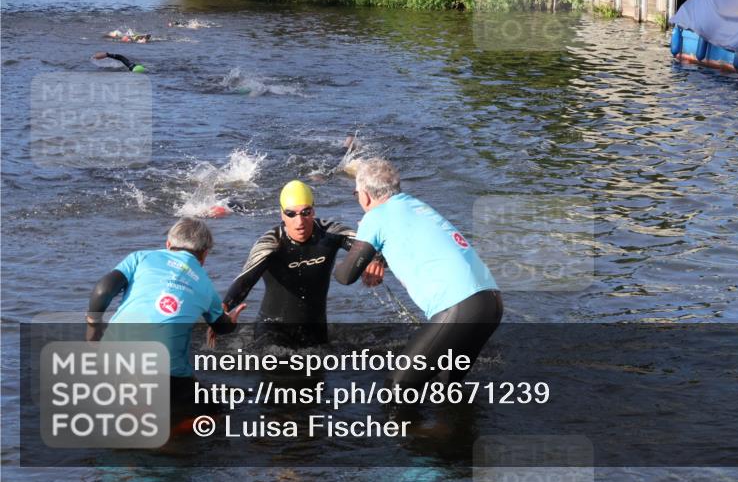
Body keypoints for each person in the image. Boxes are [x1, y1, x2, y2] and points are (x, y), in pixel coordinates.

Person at [334, 158, 503, 389]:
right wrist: (377, 256)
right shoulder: (416, 206)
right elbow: (413, 243)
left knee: (397, 386)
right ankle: (445, 426)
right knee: (444, 387)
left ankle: (406, 427)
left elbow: (345, 276)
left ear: (364, 196)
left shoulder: (375, 217)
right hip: (491, 303)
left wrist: (332, 244)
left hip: (460, 307)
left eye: (356, 195)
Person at [85, 219, 245, 410]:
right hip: (163, 372)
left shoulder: (140, 258)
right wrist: (232, 321)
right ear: (204, 255)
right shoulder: (206, 287)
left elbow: (102, 291)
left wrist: (93, 327)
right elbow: (222, 326)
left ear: (168, 245)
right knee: (214, 412)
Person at [222, 180, 381, 348]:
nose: (299, 222)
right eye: (291, 214)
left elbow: (372, 242)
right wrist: (223, 310)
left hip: (316, 332)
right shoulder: (270, 243)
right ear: (282, 214)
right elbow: (245, 280)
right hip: (272, 333)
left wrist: (377, 260)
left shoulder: (330, 233)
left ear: (313, 210)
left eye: (305, 212)